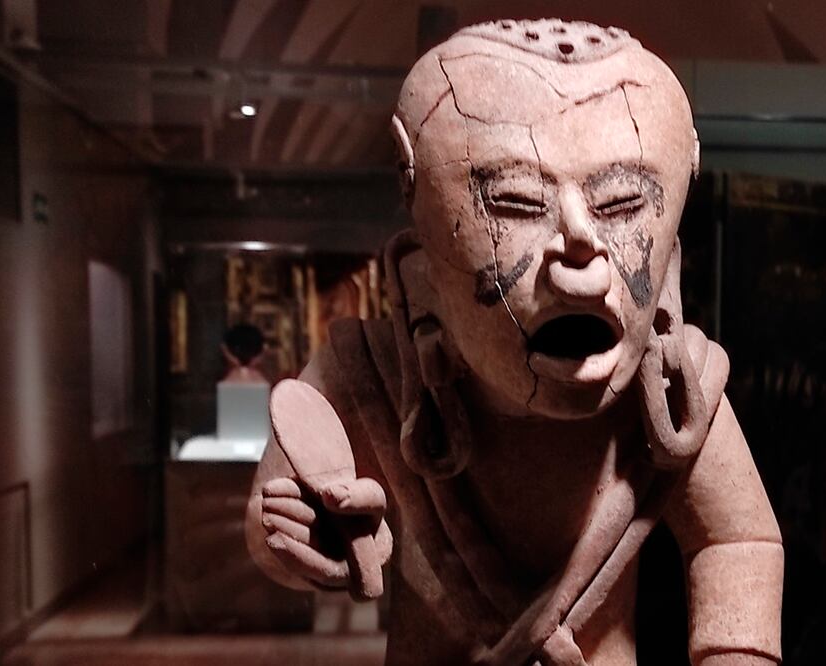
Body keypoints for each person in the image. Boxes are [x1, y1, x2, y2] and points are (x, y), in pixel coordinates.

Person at [246, 19, 783, 665]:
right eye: (518, 204)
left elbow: (737, 543)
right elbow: (275, 526)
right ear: (424, 228)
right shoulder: (368, 373)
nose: (580, 261)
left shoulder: (673, 393)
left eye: (620, 204)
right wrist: (307, 537)